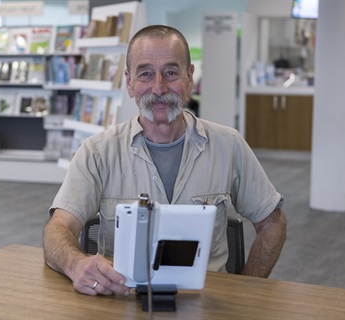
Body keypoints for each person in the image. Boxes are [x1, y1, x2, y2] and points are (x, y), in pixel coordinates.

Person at [43, 25, 287, 296]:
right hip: (123, 303)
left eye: (171, 73)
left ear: (189, 77)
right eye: (145, 73)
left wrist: (246, 291)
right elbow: (58, 229)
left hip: (206, 307)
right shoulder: (97, 152)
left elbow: (272, 223)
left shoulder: (228, 145)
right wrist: (76, 264)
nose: (158, 87)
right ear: (129, 82)